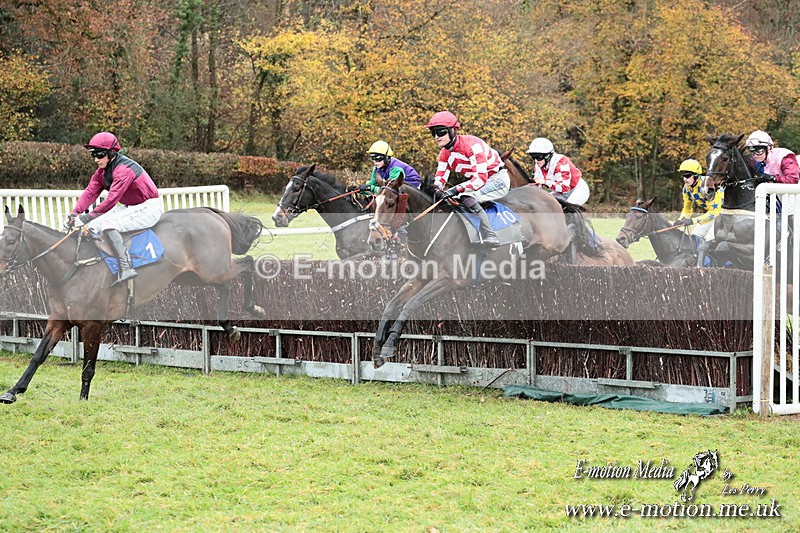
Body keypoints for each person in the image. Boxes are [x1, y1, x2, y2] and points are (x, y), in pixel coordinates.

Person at [64, 131, 162, 285]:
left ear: (111, 153)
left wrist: (86, 217)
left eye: (100, 154)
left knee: (107, 224)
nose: (96, 159)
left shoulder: (124, 170)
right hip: (131, 207)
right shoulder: (101, 172)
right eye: (93, 155)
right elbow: (90, 192)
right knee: (95, 226)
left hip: (148, 207)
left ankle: (126, 267)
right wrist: (74, 213)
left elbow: (112, 199)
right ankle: (102, 264)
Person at [426, 111, 509, 247]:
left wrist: (456, 189)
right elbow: (440, 179)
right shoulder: (444, 153)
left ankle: (491, 235)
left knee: (467, 196)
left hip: (497, 180)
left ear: (453, 131)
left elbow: (480, 179)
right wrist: (434, 191)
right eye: (433, 133)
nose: (436, 137)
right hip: (479, 181)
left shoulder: (473, 146)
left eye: (440, 132)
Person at [674, 158, 723, 265]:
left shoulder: (708, 183)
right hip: (712, 214)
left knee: (708, 240)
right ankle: (703, 264)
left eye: (687, 176)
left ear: (696, 175)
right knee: (696, 235)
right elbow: (687, 209)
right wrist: (680, 220)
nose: (684, 179)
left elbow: (715, 212)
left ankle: (716, 266)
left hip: (723, 214)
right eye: (683, 176)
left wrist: (693, 221)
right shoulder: (686, 189)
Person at [525, 137, 590, 206]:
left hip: (577, 190)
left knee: (567, 212)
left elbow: (565, 188)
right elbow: (538, 186)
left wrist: (545, 181)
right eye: (533, 157)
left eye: (538, 157)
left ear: (547, 156)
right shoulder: (538, 165)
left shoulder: (561, 163)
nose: (536, 160)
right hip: (560, 192)